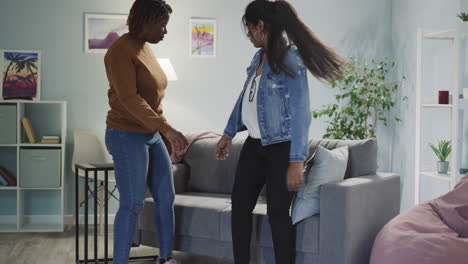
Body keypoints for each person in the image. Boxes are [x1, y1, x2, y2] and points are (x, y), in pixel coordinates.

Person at [215, 0, 344, 263]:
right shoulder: (258, 58)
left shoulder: (291, 59)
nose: (249, 34)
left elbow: (301, 113)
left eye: (250, 29)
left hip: (281, 148)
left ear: (261, 26)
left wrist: (296, 161)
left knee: (277, 213)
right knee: (239, 207)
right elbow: (245, 99)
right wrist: (228, 133)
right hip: (253, 146)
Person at [103, 0, 187, 263]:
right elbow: (130, 99)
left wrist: (164, 134)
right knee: (132, 203)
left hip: (150, 135)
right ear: (146, 21)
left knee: (166, 197)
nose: (164, 31)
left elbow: (153, 100)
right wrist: (167, 129)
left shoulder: (145, 49)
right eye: (162, 25)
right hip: (125, 134)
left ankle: (165, 258)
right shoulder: (119, 52)